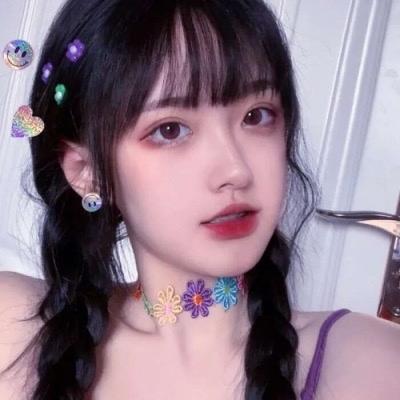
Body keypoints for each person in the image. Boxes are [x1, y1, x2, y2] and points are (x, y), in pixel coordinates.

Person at [0, 0, 399, 399]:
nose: (236, 170)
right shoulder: (13, 329)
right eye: (170, 130)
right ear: (87, 172)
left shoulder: (371, 363)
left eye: (256, 116)